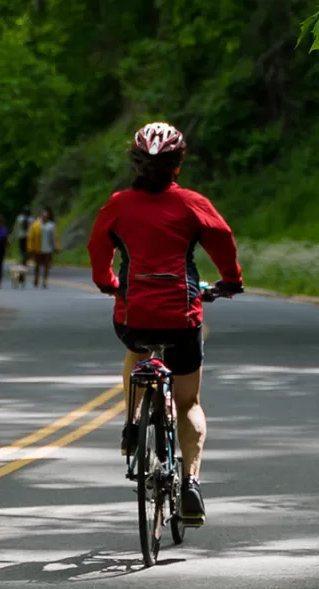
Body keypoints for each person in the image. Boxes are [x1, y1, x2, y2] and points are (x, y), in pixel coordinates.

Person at [87, 122, 244, 527]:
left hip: (133, 315)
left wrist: (107, 282)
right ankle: (191, 483)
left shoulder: (118, 205)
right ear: (178, 165)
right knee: (189, 402)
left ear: (136, 165)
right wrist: (230, 281)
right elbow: (223, 239)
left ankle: (132, 424)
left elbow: (97, 246)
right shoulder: (192, 204)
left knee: (135, 352)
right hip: (181, 317)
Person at [26, 207, 58, 289]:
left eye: (46, 216)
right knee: (37, 265)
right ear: (41, 216)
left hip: (48, 248)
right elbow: (31, 237)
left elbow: (54, 237)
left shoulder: (51, 225)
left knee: (47, 265)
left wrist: (56, 246)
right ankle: (36, 279)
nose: (45, 217)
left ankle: (44, 280)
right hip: (38, 248)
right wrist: (30, 247)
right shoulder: (35, 225)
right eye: (43, 216)